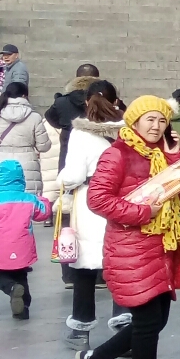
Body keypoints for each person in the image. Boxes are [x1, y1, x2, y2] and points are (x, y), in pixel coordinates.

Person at [81, 93, 180, 359]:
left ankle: (95, 358)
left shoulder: (160, 153)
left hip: (163, 245)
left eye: (162, 120)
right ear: (134, 121)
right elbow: (97, 199)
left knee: (156, 320)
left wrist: (176, 156)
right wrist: (142, 214)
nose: (156, 125)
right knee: (148, 322)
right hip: (131, 249)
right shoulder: (118, 154)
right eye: (150, 119)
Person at [53, 90, 127, 337]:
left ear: (86, 103)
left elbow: (73, 175)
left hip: (90, 201)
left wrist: (62, 178)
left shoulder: (80, 133)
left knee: (84, 266)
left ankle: (81, 328)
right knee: (120, 263)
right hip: (123, 199)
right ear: (117, 101)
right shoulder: (128, 131)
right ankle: (123, 323)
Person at [0, 158, 51, 320]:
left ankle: (11, 287)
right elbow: (43, 213)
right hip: (23, 247)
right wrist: (42, 199)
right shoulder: (29, 199)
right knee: (21, 274)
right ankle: (23, 309)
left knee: (3, 274)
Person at [0, 74, 52, 196]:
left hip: (2, 163)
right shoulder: (34, 117)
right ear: (24, 96)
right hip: (27, 167)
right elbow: (43, 146)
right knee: (27, 206)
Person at [45, 65, 102, 164]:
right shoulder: (106, 102)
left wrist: (66, 125)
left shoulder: (61, 102)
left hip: (69, 155)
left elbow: (50, 118)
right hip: (99, 156)